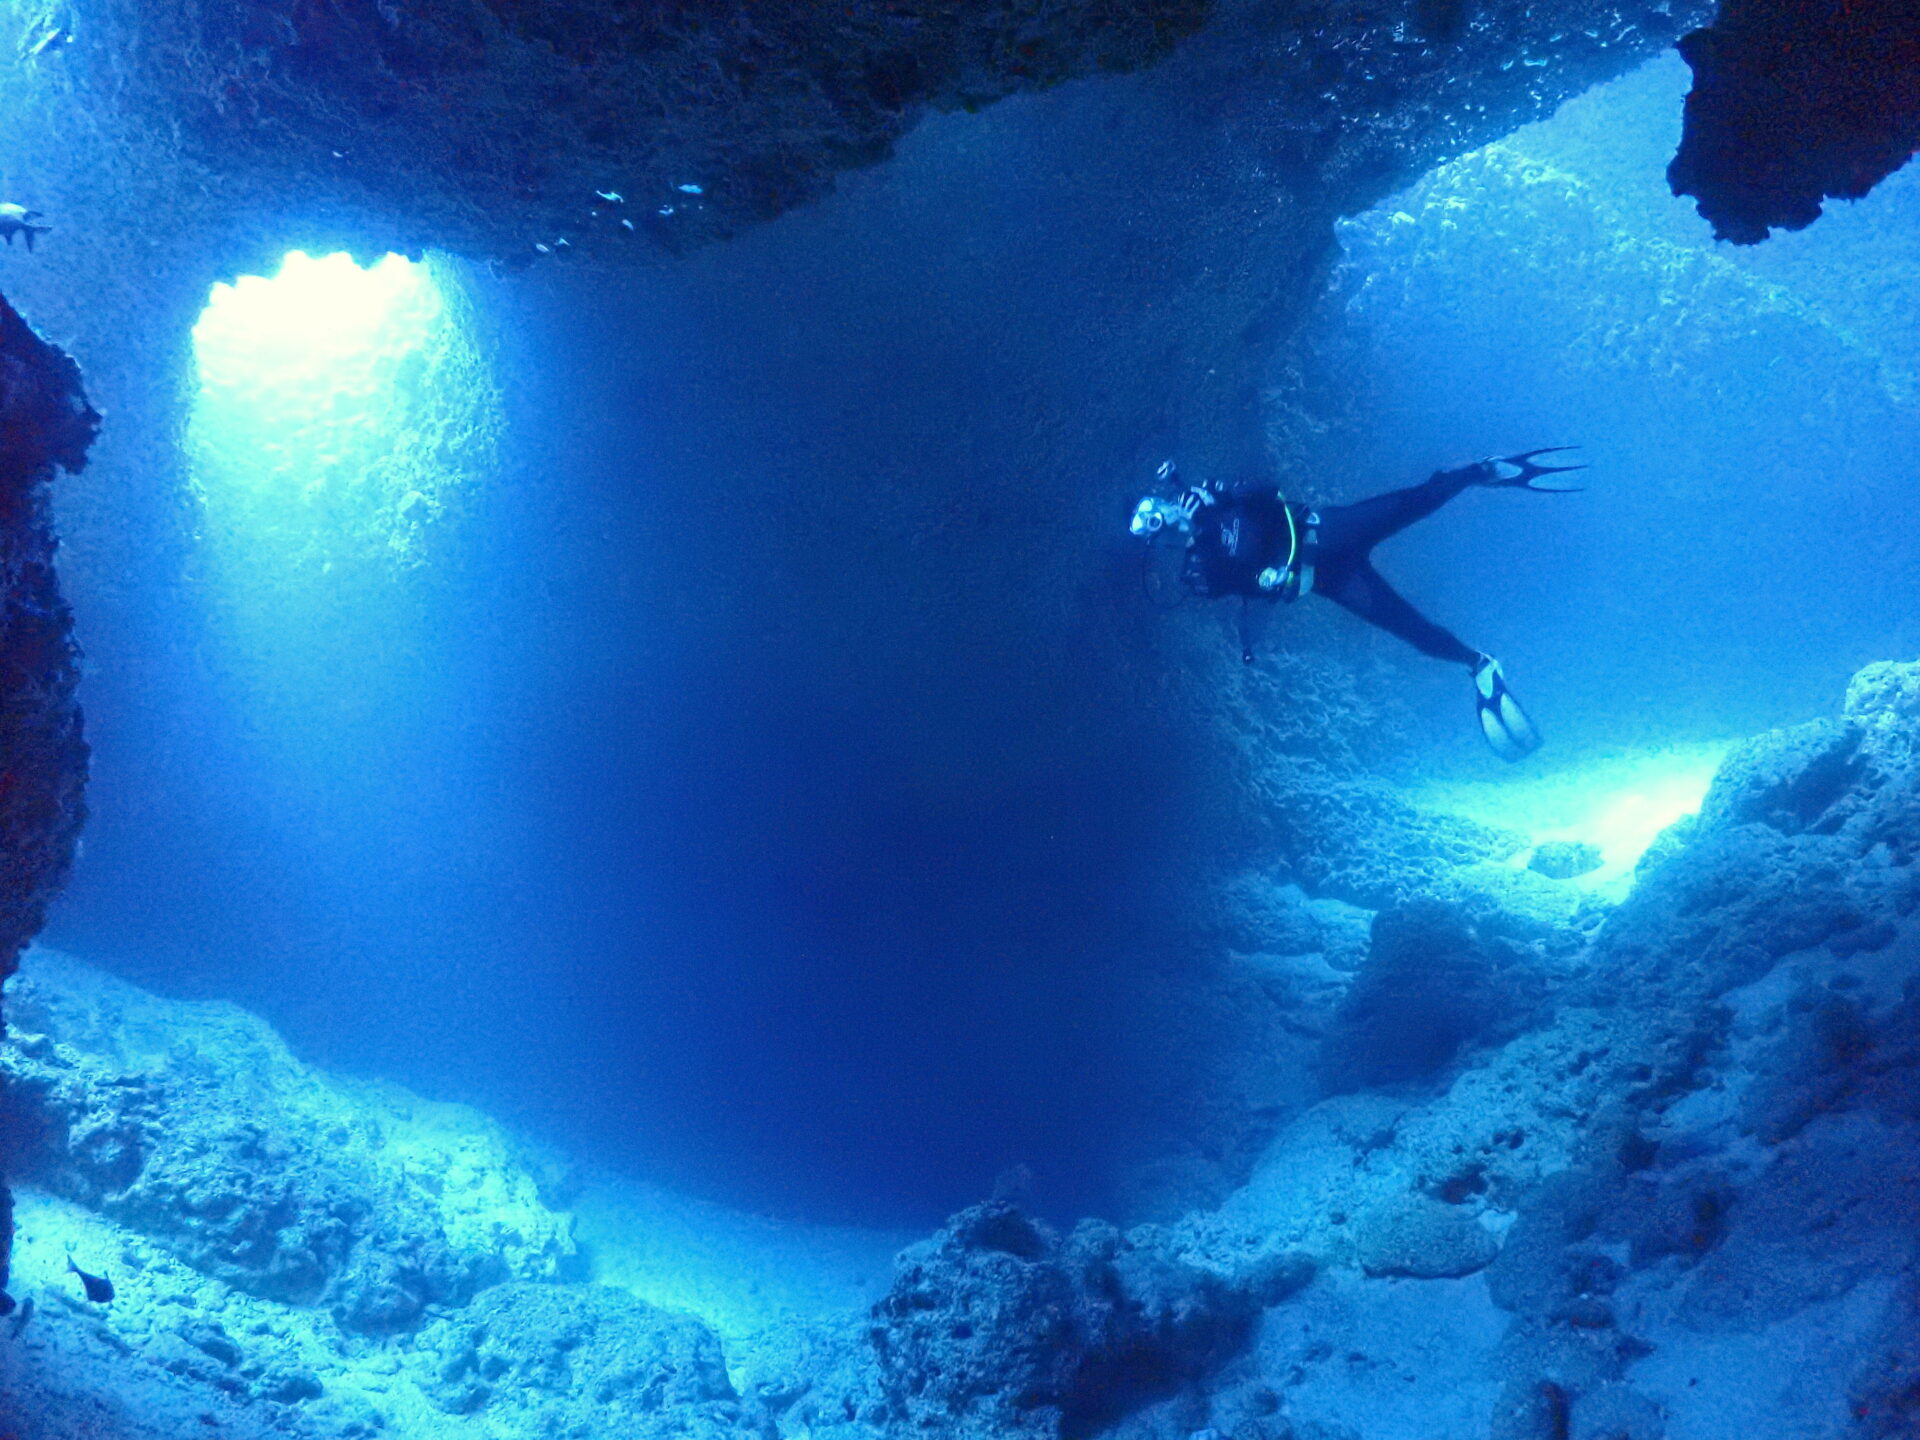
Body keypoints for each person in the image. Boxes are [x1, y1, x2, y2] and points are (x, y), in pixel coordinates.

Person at [1129, 450, 1585, 761]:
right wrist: (1266, 582)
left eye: (1160, 510)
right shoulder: (1199, 573)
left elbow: (1271, 492)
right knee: (1406, 627)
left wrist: (1222, 492)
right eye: (1157, 527)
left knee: (1412, 503)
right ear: (1159, 541)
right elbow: (1252, 594)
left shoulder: (1213, 500)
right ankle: (1479, 665)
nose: (1166, 520)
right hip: (1329, 578)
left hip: (1325, 531)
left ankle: (1480, 472)